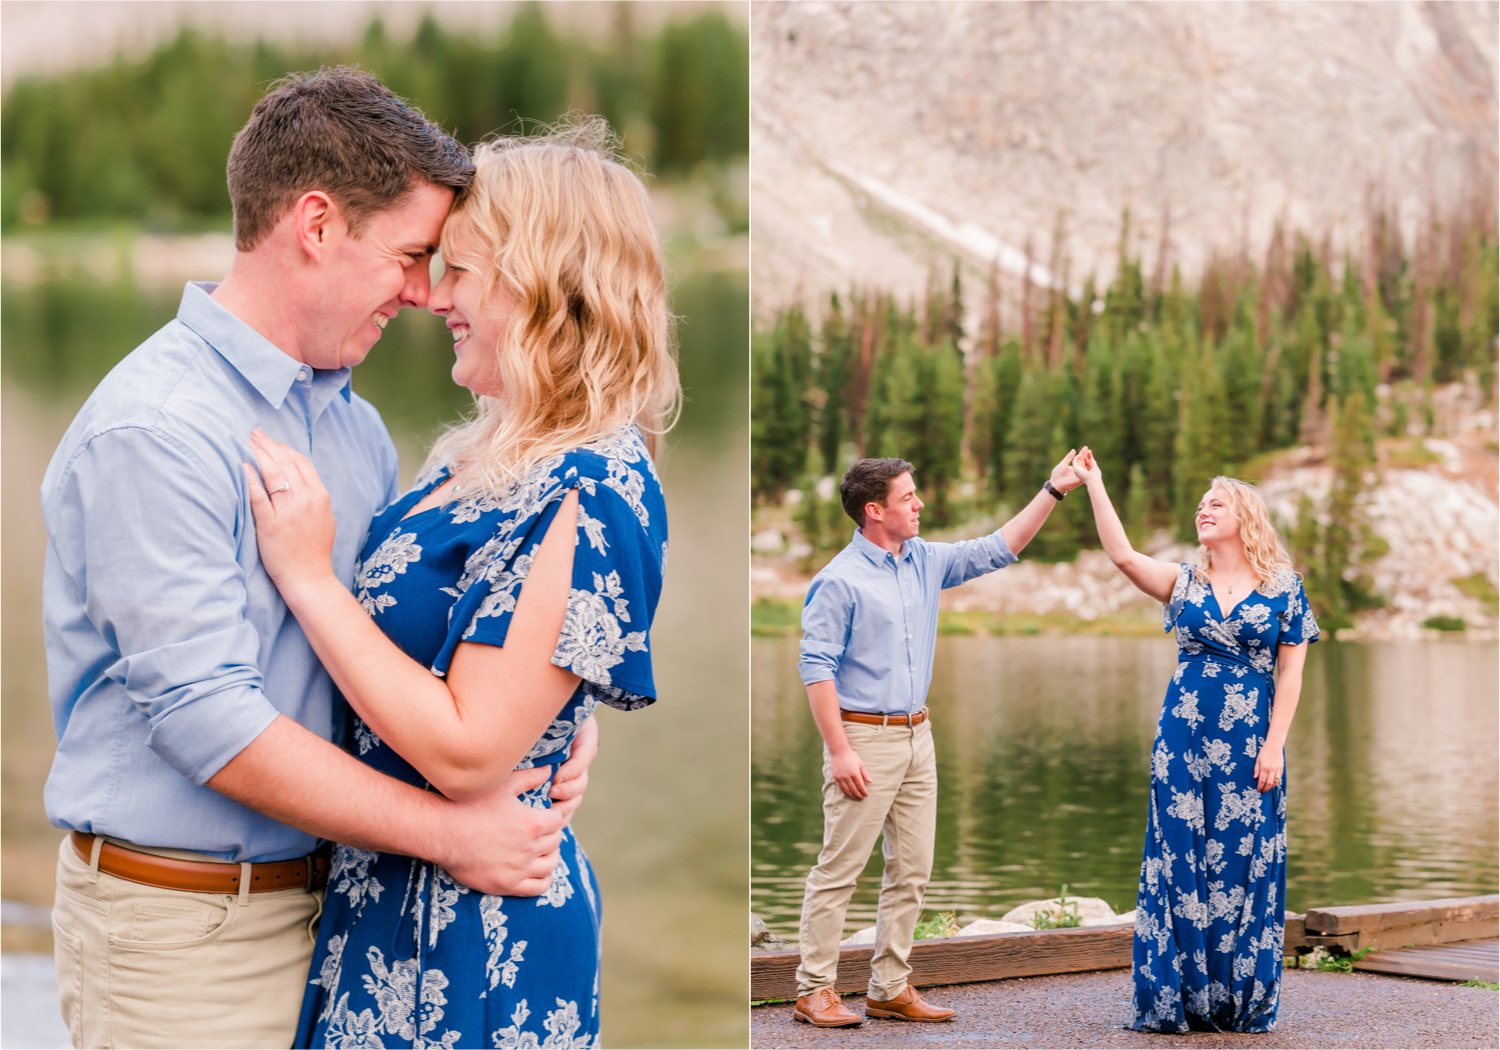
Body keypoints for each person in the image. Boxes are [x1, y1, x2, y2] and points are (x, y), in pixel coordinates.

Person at [40, 69, 595, 1050]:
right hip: (186, 933)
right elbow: (209, 720)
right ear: (317, 224)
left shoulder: (357, 429)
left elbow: (396, 647)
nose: (426, 294)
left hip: (343, 913)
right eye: (414, 255)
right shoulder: (157, 431)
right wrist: (454, 834)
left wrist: (537, 729)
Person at [244, 120, 677, 1049]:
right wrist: (563, 718)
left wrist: (311, 579)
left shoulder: (590, 484)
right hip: (394, 898)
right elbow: (490, 665)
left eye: (462, 271)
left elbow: (473, 750)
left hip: (471, 931)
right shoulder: (490, 454)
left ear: (545, 285)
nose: (433, 297)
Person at [792, 453, 1084, 1027]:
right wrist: (840, 750)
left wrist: (1053, 487)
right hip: (862, 739)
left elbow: (1002, 546)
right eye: (908, 497)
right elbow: (816, 667)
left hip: (917, 737)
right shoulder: (839, 580)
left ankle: (889, 987)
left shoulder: (925, 560)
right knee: (839, 869)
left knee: (913, 869)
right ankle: (813, 990)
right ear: (875, 511)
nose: (919, 504)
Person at [1068, 448, 1317, 1032]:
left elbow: (1292, 673)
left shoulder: (1285, 588)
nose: (1202, 510)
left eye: (1216, 502)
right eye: (1200, 503)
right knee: (1178, 858)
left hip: (1252, 742)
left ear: (1245, 516)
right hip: (1181, 738)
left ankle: (1236, 1000)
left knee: (1243, 858)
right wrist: (1096, 483)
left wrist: (1275, 745)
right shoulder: (1184, 582)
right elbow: (1122, 554)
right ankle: (1180, 998)